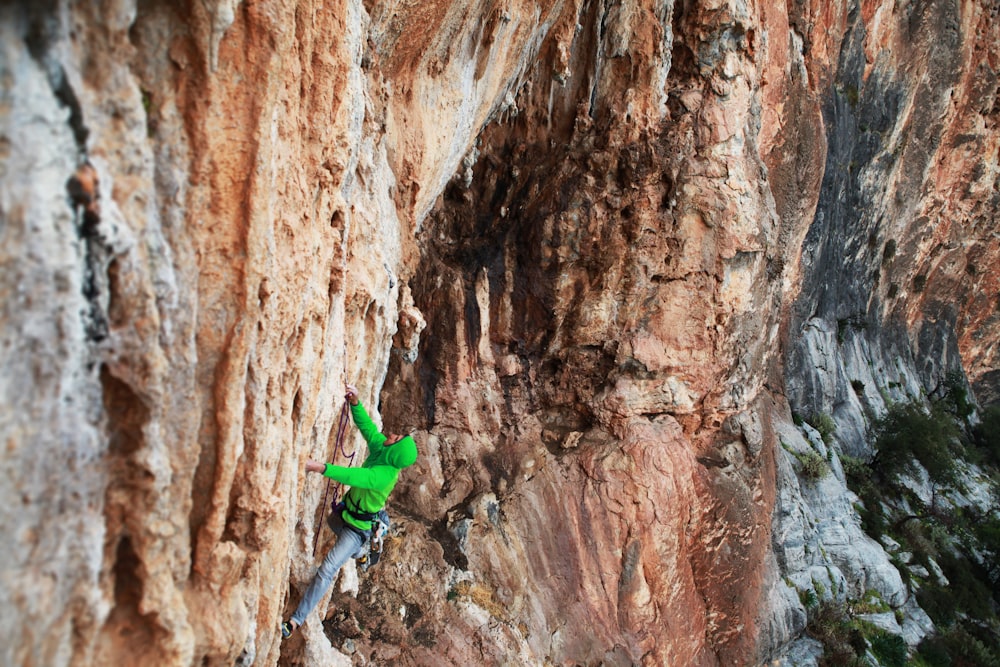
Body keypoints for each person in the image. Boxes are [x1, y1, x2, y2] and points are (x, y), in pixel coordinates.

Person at [282, 383, 418, 638]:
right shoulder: (382, 450)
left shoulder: (383, 475)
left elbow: (352, 475)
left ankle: (295, 621)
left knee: (327, 569)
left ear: (395, 450)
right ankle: (364, 550)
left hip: (357, 528)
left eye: (397, 438)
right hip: (345, 515)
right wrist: (355, 402)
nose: (393, 434)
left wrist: (319, 467)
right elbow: (368, 428)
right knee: (333, 526)